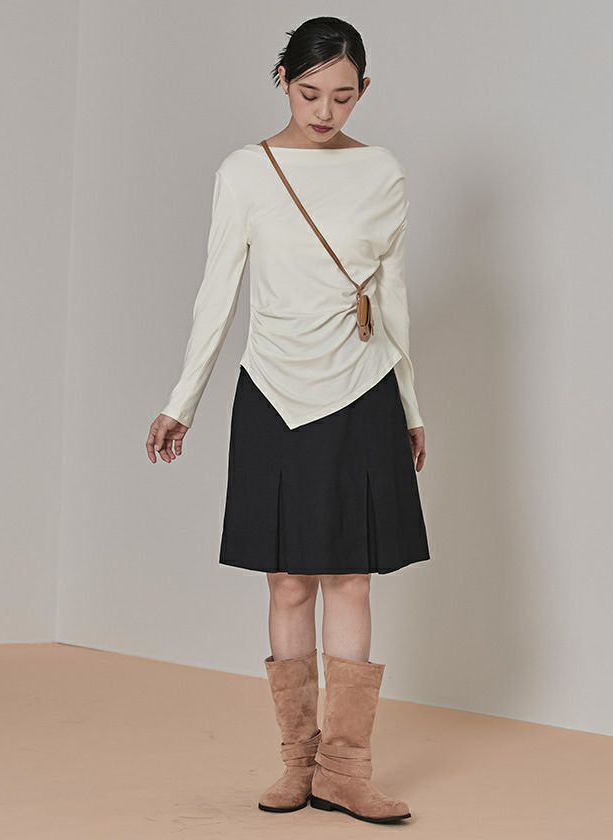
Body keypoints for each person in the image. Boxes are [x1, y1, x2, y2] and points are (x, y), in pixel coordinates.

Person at [145, 15, 430, 825]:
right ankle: (296, 764)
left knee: (352, 577)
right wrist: (182, 400)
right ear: (282, 80)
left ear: (364, 90)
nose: (325, 110)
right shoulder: (246, 171)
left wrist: (411, 405)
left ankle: (346, 771)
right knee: (288, 580)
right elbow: (217, 291)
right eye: (309, 93)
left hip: (362, 390)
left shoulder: (382, 172)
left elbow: (393, 297)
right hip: (273, 390)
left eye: (343, 95)